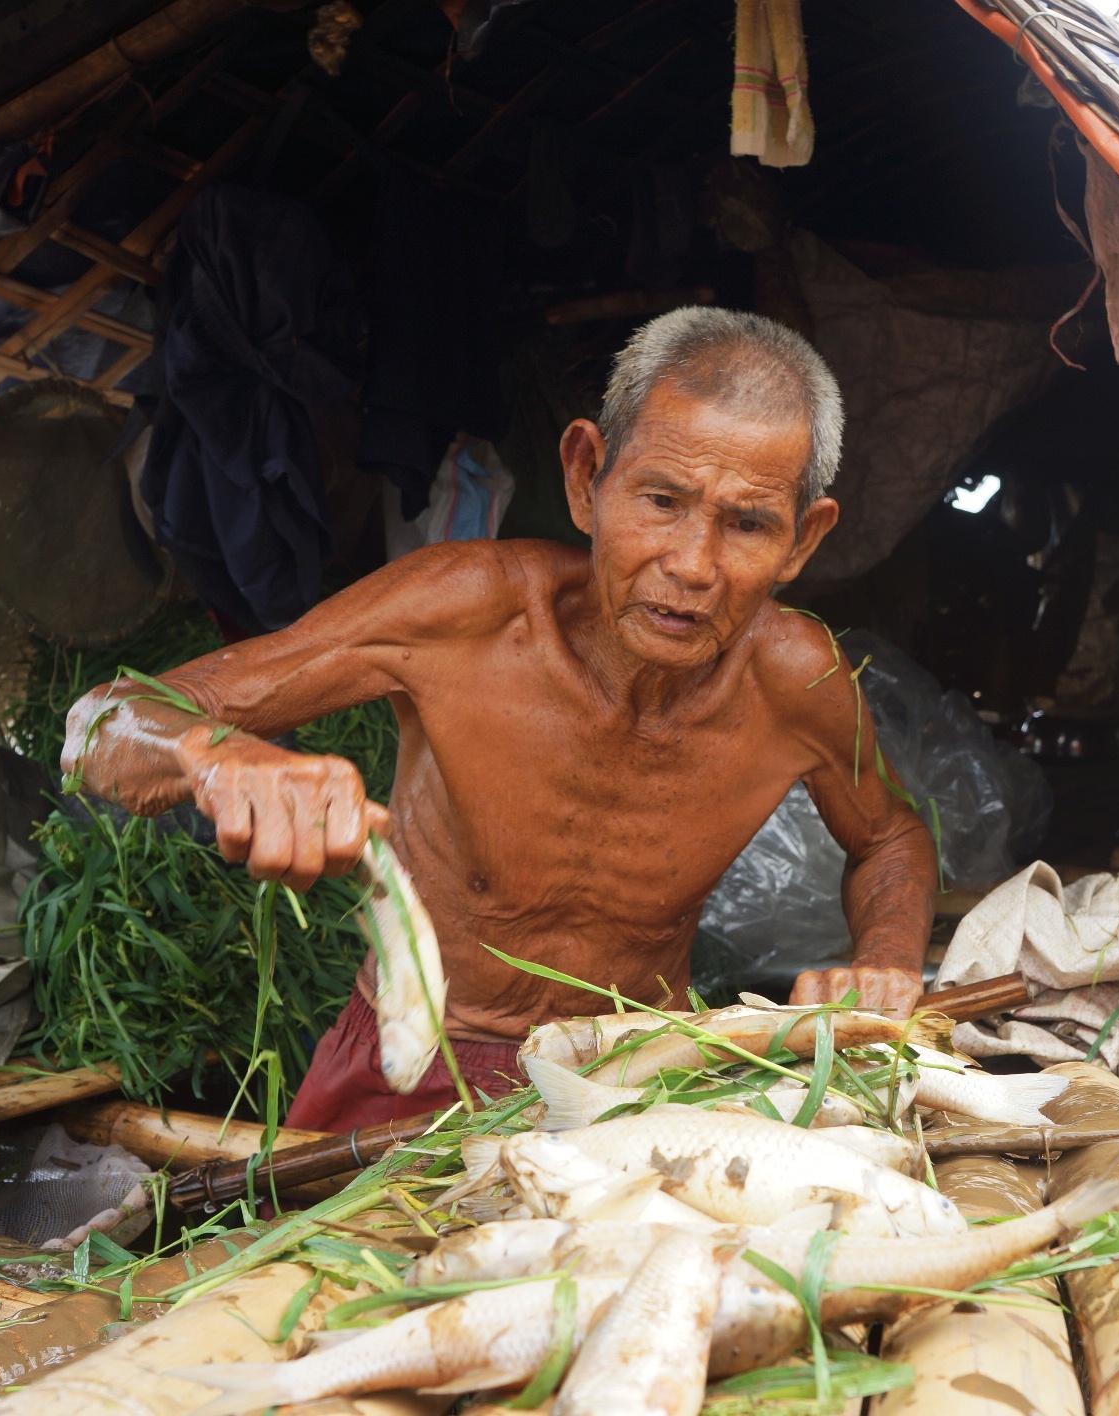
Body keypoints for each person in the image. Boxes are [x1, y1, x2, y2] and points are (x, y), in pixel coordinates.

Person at [63, 307, 937, 1129]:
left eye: (748, 523)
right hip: (416, 1060)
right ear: (587, 477)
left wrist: (888, 964)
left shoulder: (799, 678)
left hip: (639, 1078)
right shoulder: (463, 609)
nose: (693, 564)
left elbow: (891, 835)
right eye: (661, 501)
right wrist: (218, 756)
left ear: (803, 540)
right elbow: (101, 724)